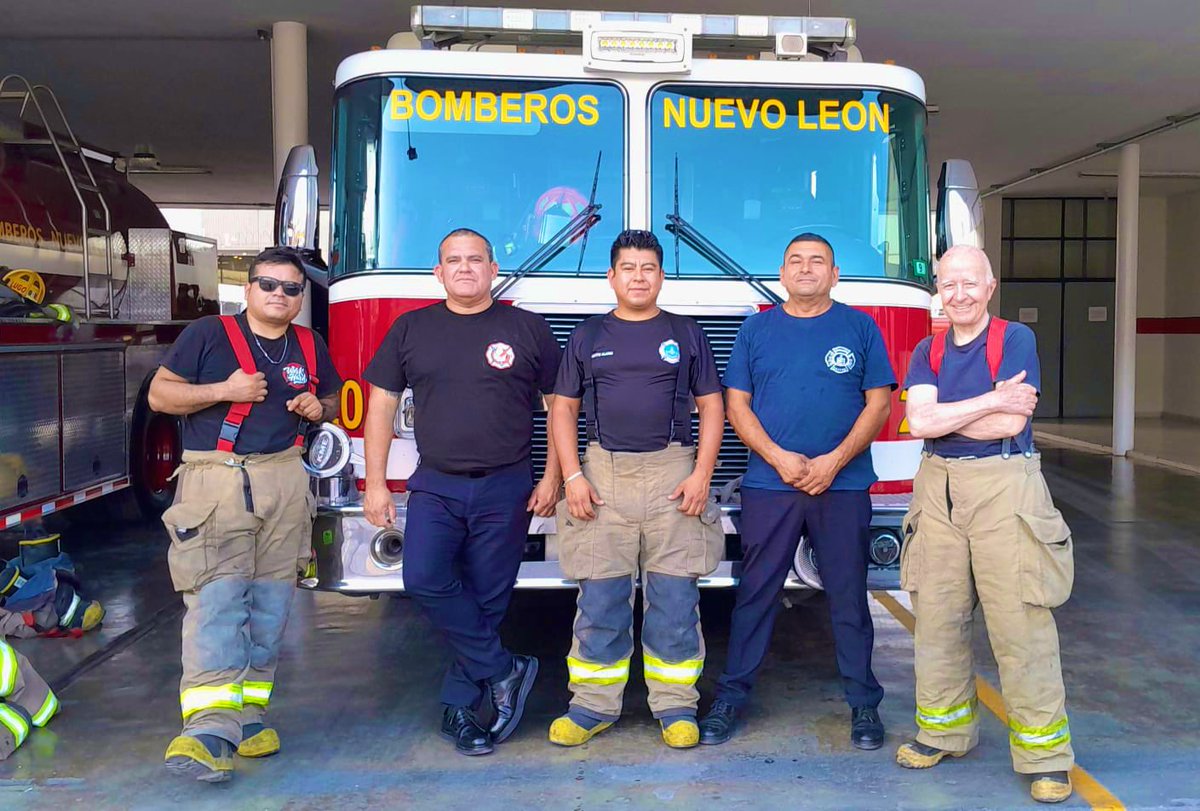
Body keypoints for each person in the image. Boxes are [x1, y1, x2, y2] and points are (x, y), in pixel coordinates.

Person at [362, 228, 562, 757]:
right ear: (439, 272)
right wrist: (377, 482)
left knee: (488, 601)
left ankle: (460, 711)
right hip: (436, 485)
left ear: (494, 269)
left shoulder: (527, 329)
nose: (466, 268)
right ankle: (505, 669)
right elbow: (380, 406)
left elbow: (561, 407)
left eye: (476, 260)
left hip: (507, 485)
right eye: (454, 260)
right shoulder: (411, 329)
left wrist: (554, 477)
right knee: (424, 578)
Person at [148, 246, 341, 782]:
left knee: (271, 605)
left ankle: (248, 720)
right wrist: (224, 391)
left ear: (302, 297)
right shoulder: (209, 335)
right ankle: (208, 731)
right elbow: (161, 396)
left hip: (285, 477)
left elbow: (332, 401)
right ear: (249, 288)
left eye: (291, 289)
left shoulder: (309, 343)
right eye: (269, 285)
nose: (279, 295)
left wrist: (315, 407)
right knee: (217, 600)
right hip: (218, 480)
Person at [699, 232, 894, 750]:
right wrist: (781, 459)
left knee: (849, 597)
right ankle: (729, 699)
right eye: (795, 261)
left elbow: (878, 405)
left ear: (835, 275)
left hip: (843, 483)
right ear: (782, 273)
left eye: (818, 262)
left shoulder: (860, 327)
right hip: (770, 483)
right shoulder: (755, 330)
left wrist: (833, 461)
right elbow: (736, 405)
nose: (806, 269)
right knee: (755, 593)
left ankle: (864, 705)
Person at [895, 245, 1075, 805]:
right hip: (939, 490)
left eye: (970, 283)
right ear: (939, 292)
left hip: (1007, 488)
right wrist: (986, 402)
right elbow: (919, 420)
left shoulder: (1014, 339)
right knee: (937, 618)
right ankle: (944, 732)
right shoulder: (927, 349)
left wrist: (958, 414)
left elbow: (1014, 418)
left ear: (990, 286)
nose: (959, 294)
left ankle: (1045, 757)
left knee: (1020, 625)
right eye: (949, 285)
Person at [548, 229, 725, 750]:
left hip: (674, 474)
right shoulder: (587, 335)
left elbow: (712, 407)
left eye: (648, 268)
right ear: (612, 276)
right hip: (603, 476)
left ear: (661, 276)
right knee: (600, 596)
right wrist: (573, 476)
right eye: (628, 268)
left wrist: (701, 475)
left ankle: (675, 707)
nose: (638, 277)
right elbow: (564, 408)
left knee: (674, 599)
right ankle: (591, 707)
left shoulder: (686, 333)